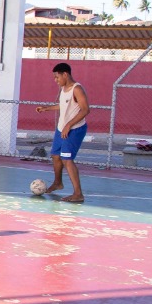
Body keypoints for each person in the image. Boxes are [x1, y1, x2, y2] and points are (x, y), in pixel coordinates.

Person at [34, 62, 90, 203]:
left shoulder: (77, 89)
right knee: (55, 156)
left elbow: (85, 109)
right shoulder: (64, 89)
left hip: (74, 130)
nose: (55, 80)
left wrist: (69, 125)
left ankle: (78, 194)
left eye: (57, 77)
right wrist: (46, 109)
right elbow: (64, 105)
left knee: (67, 159)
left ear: (65, 74)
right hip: (61, 129)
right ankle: (58, 183)